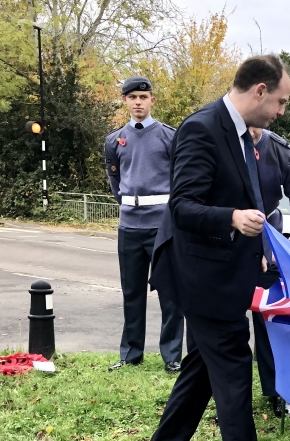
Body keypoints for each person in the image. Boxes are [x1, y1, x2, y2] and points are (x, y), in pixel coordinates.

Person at [146, 55, 290, 441]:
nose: (281, 111)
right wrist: (231, 218)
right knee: (233, 371)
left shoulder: (247, 137)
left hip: (231, 271)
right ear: (258, 91)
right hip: (200, 276)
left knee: (204, 367)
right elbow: (183, 206)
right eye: (280, 101)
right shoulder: (202, 128)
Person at [104, 76, 184, 373]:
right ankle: (130, 353)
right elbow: (115, 180)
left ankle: (172, 356)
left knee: (171, 293)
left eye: (143, 96)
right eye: (132, 97)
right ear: (124, 100)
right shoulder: (114, 140)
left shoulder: (169, 136)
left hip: (162, 226)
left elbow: (181, 179)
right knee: (131, 292)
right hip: (129, 226)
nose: (138, 101)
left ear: (152, 100)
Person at [249, 124, 290, 419]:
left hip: (269, 242)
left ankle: (277, 391)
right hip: (227, 243)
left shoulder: (281, 150)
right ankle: (228, 393)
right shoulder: (221, 143)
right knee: (227, 328)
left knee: (269, 323)